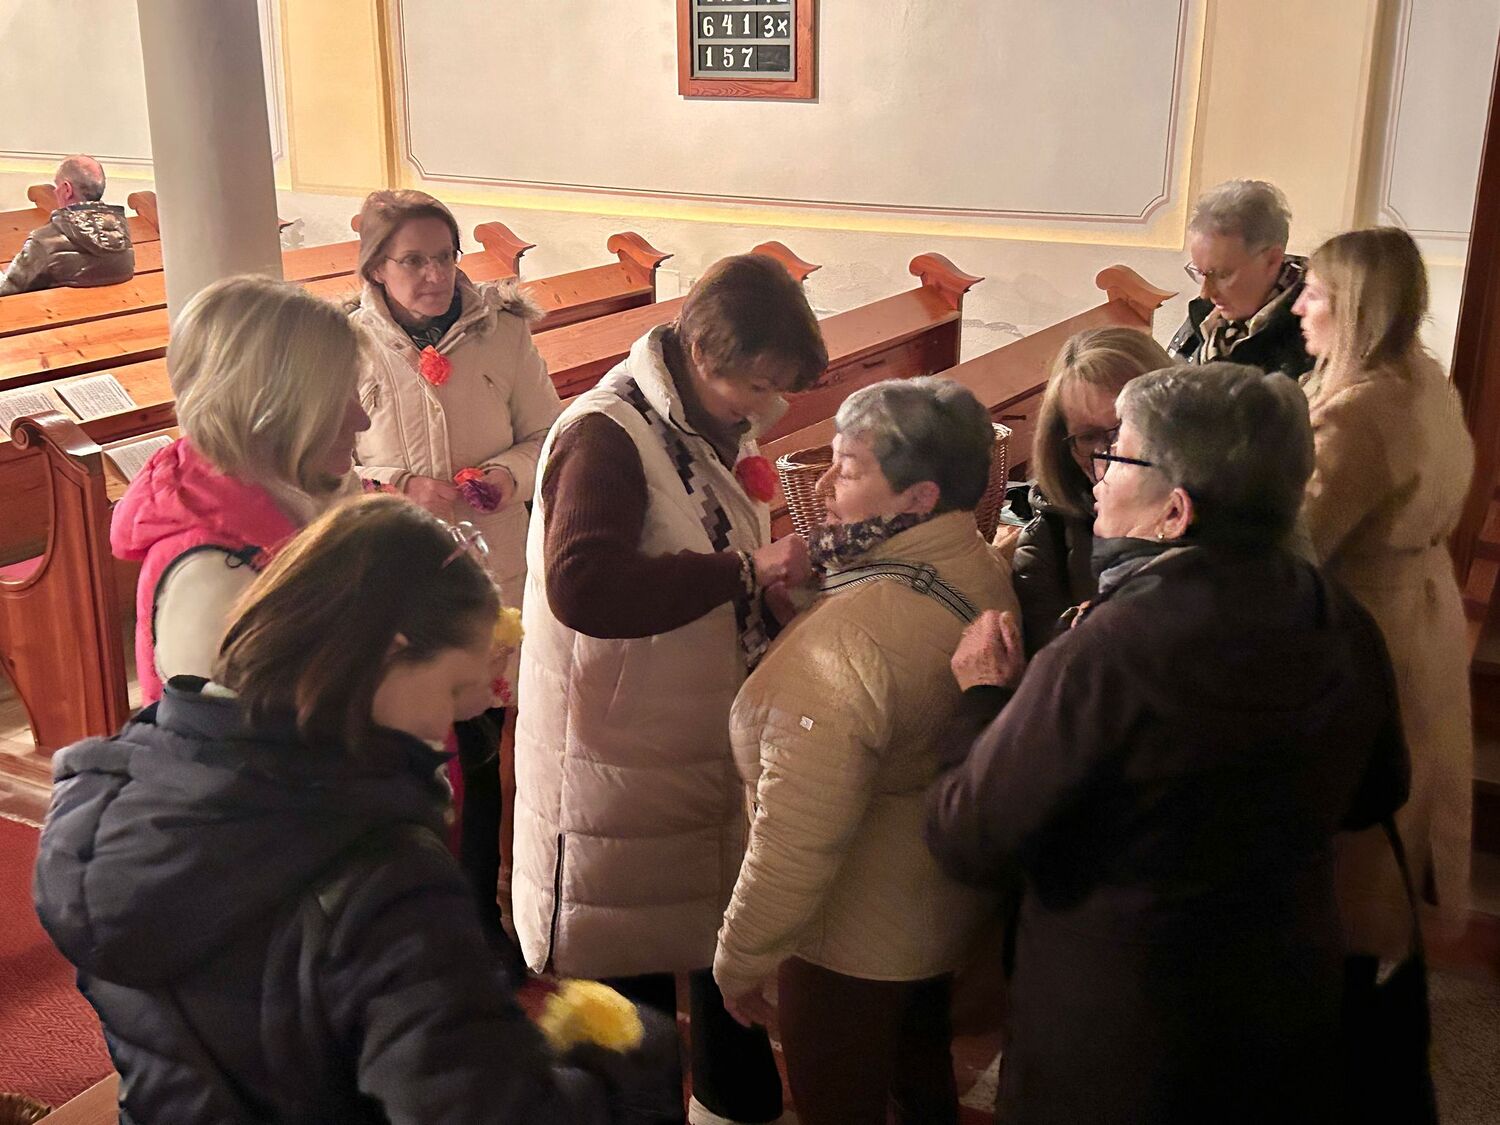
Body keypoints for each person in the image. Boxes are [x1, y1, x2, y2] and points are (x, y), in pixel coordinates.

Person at [35, 495, 679, 1124]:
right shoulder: (383, 872)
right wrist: (619, 1070)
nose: (443, 736)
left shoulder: (108, 791)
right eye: (451, 689)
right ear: (388, 653)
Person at [926, 363, 1410, 1125]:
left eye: (1118, 454)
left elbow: (967, 832)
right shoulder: (1338, 615)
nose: (1098, 476)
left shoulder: (1107, 651)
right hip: (1281, 1002)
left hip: (1123, 1031)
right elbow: (1379, 790)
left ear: (1175, 510)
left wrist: (983, 696)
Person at [513, 253, 827, 1125]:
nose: (764, 407)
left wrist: (768, 591)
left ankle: (732, 1106)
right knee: (629, 1007)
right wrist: (744, 571)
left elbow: (706, 542)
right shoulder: (606, 434)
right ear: (699, 351)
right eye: (755, 385)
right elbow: (583, 584)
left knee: (717, 962)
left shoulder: (702, 418)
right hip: (615, 763)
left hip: (684, 745)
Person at [713, 378, 1018, 1125]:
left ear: (918, 497)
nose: (821, 485)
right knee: (919, 1083)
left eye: (846, 468)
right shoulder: (977, 561)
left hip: (848, 942)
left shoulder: (849, 641)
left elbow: (797, 837)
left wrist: (740, 958)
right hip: (932, 913)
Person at [349, 188, 562, 960]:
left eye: (444, 257)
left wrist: (508, 474)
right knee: (402, 754)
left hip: (489, 574)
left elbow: (550, 433)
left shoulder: (503, 332)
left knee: (482, 751)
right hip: (393, 579)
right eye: (414, 260)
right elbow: (323, 465)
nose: (434, 274)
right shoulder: (345, 344)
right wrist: (397, 485)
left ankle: (477, 919)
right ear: (376, 267)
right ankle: (403, 919)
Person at [1292, 226, 1476, 962]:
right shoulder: (1425, 379)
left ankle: (1349, 964)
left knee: (1359, 816)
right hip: (1422, 607)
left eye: (1314, 293)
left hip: (1366, 623)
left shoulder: (1357, 412)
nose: (1299, 307)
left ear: (1355, 305)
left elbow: (1303, 538)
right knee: (1409, 793)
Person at [111, 275, 370, 705]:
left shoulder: (299, 505)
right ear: (268, 407)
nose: (362, 419)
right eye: (336, 399)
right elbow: (252, 742)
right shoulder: (212, 574)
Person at [1010, 327, 1170, 654]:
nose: (1111, 453)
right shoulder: (1048, 545)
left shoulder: (1224, 508)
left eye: (1127, 427)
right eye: (1088, 436)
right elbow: (1060, 671)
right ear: (1063, 445)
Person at [1167, 179, 1313, 379]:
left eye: (1222, 274)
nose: (1206, 293)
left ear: (1272, 260)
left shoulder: (1310, 331)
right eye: (1201, 273)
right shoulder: (1207, 317)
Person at [0, 155, 135, 296]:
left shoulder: (44, 241)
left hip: (52, 309)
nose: (55, 191)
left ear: (67, 189)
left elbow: (7, 289)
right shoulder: (122, 234)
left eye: (56, 185)